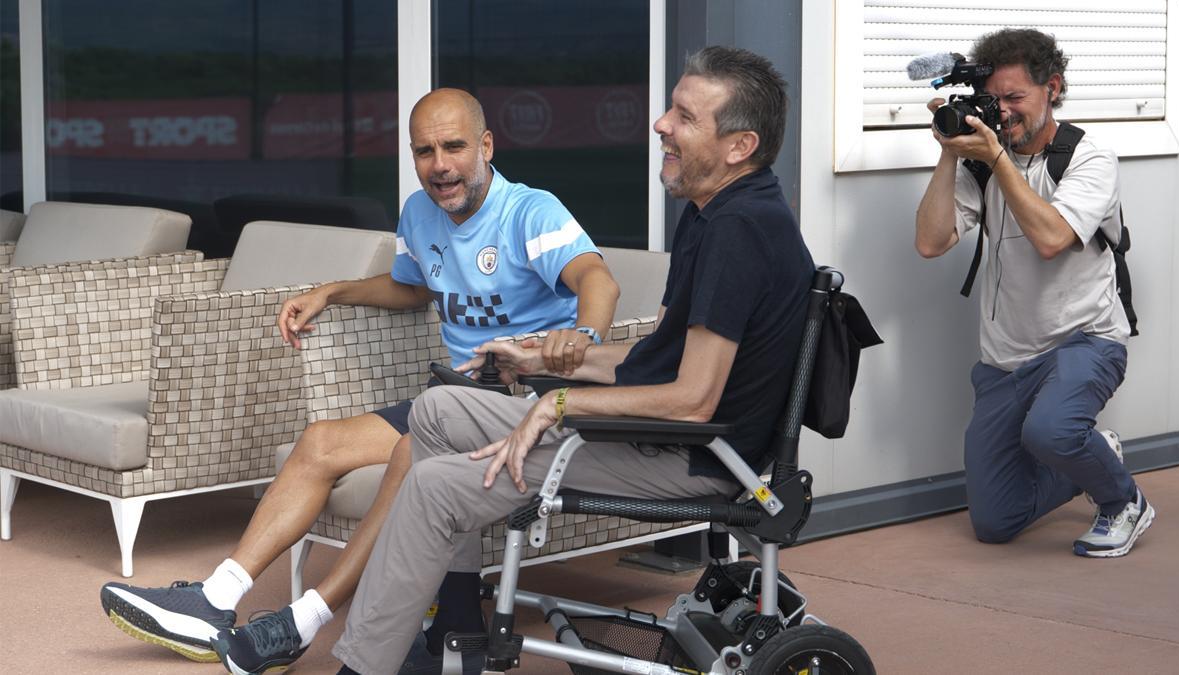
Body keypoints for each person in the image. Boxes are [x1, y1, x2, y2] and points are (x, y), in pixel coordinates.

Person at [326, 45, 814, 675]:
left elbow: (693, 400)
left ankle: (365, 667)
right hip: (663, 436)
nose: (661, 123)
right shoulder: (708, 214)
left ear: (739, 146)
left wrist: (558, 403)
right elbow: (657, 359)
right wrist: (538, 361)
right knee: (437, 410)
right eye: (671, 108)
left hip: (693, 456)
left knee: (431, 484)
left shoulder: (738, 232)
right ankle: (457, 632)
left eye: (685, 117)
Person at [99, 88, 620, 673]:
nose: (440, 165)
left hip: (525, 405)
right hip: (456, 397)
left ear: (486, 146)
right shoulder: (420, 212)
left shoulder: (530, 212)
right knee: (320, 442)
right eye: (424, 151)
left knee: (408, 453)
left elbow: (597, 279)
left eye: (453, 147)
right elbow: (413, 287)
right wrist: (334, 291)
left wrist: (583, 338)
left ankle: (303, 620)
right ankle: (213, 601)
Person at [914, 28, 1152, 556]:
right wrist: (950, 154)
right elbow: (930, 242)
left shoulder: (1089, 158)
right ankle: (1095, 455)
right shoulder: (983, 163)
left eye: (1014, 97)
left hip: (1085, 341)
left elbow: (1051, 239)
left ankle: (1123, 501)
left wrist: (997, 160)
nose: (1002, 111)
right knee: (995, 522)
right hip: (1006, 361)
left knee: (1050, 431)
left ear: (1053, 88)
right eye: (992, 99)